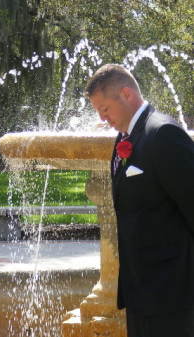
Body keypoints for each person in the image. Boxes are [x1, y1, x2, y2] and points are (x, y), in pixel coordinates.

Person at [85, 64, 194, 337]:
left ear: (127, 94)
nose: (102, 117)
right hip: (141, 291)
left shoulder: (163, 134)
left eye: (105, 109)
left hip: (172, 293)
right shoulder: (126, 137)